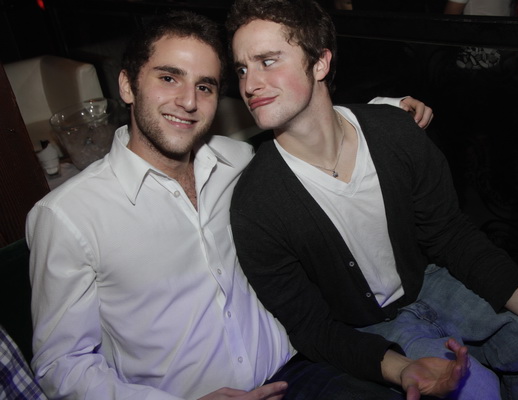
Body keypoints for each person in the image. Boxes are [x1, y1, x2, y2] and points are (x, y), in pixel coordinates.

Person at [26, 9, 462, 400]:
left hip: (300, 372)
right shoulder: (68, 216)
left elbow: (311, 126)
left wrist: (386, 113)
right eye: (168, 78)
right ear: (127, 84)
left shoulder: (237, 162)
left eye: (205, 86)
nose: (188, 101)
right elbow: (60, 366)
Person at [226, 0, 518, 399]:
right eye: (242, 69)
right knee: (475, 390)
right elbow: (312, 328)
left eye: (268, 61)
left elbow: (452, 236)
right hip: (365, 325)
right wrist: (401, 368)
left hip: (428, 282)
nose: (250, 84)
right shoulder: (256, 204)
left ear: (320, 63)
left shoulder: (394, 132)